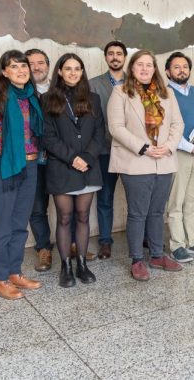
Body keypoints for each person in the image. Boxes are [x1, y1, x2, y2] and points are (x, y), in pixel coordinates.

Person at [0, 50, 44, 300]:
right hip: (1, 166)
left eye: (23, 66)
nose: (20, 70)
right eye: (14, 66)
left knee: (19, 225)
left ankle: (14, 272)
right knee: (1, 225)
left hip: (30, 166)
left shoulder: (33, 97)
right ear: (4, 72)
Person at [108, 50, 184, 281]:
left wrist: (168, 146)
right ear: (132, 68)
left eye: (149, 65)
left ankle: (157, 255)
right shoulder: (120, 92)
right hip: (136, 161)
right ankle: (137, 259)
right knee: (138, 213)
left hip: (164, 160)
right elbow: (116, 127)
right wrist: (143, 147)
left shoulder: (167, 93)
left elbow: (177, 124)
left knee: (157, 211)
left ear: (154, 69)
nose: (144, 69)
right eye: (139, 64)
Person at [42, 53, 105, 287]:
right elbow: (47, 137)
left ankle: (82, 264)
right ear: (59, 71)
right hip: (62, 167)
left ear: (82, 71)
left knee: (83, 216)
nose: (73, 73)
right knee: (65, 217)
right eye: (68, 68)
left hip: (88, 167)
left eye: (77, 68)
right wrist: (72, 158)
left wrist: (86, 158)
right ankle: (66, 266)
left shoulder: (93, 99)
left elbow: (99, 133)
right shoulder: (47, 99)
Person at [164, 52, 194, 264]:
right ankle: (177, 245)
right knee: (176, 201)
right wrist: (189, 147)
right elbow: (166, 128)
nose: (181, 70)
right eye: (176, 67)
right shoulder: (164, 94)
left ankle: (193, 241)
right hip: (178, 153)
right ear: (168, 72)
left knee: (193, 199)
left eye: (185, 66)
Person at [88, 40, 127, 259]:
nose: (115, 57)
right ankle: (105, 241)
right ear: (106, 58)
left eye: (119, 53)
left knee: (137, 198)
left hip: (131, 151)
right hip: (104, 150)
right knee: (105, 197)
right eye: (111, 53)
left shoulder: (136, 82)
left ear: (124, 57)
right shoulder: (93, 84)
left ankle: (142, 237)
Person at [25, 48, 53, 271]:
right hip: (33, 159)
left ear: (48, 65)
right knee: (36, 207)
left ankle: (73, 243)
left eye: (40, 62)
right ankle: (44, 249)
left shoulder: (61, 89)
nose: (36, 67)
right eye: (31, 63)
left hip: (61, 158)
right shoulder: (20, 93)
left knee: (69, 205)